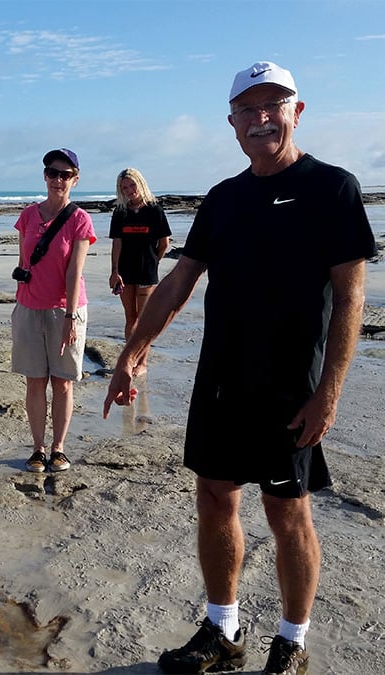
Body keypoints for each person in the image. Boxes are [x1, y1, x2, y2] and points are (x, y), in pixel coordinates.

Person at [103, 62, 377, 675]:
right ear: (231, 124)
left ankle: (293, 639)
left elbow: (351, 298)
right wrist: (131, 354)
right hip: (223, 377)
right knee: (214, 496)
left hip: (292, 386)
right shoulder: (224, 199)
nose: (260, 119)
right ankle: (223, 630)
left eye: (273, 105)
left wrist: (329, 392)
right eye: (247, 110)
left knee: (288, 510)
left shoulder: (333, 188)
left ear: (296, 112)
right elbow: (177, 282)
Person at [11, 148, 96, 473]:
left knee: (62, 382)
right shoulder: (28, 216)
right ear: (44, 176)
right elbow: (23, 261)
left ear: (75, 179)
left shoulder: (79, 220)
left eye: (65, 174)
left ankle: (58, 448)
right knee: (35, 381)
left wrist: (71, 317)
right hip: (29, 308)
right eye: (52, 173)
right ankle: (37, 448)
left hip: (65, 309)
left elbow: (75, 271)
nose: (57, 179)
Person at [108, 168, 171, 376]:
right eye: (124, 187)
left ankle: (142, 362)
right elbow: (117, 243)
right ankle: (130, 360)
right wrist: (114, 271)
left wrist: (153, 262)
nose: (129, 190)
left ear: (140, 183)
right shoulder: (120, 212)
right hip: (125, 272)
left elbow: (164, 243)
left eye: (132, 185)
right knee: (130, 318)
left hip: (147, 272)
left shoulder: (154, 210)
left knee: (145, 319)